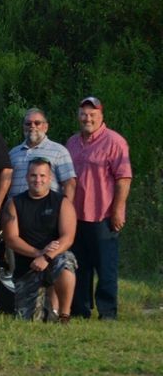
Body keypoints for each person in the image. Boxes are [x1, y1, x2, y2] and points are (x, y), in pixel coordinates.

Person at [66, 96, 132, 320]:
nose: (88, 118)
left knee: (106, 268)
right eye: (84, 114)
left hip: (103, 214)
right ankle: (80, 309)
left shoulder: (115, 142)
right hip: (76, 216)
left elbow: (123, 178)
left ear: (101, 116)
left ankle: (107, 312)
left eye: (92, 114)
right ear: (78, 116)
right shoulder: (72, 142)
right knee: (80, 266)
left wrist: (118, 210)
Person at [3, 158, 77, 322]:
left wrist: (46, 256)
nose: (38, 180)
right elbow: (11, 239)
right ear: (26, 177)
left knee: (66, 263)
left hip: (53, 258)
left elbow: (68, 237)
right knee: (29, 320)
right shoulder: (14, 203)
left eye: (42, 176)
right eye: (33, 175)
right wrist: (38, 253)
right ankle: (48, 306)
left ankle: (64, 315)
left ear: (50, 177)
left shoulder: (62, 202)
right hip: (28, 266)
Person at [8, 108, 77, 203]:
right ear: (23, 127)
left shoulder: (59, 151)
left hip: (47, 210)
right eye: (28, 124)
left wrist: (65, 210)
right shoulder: (13, 153)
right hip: (16, 211)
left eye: (37, 123)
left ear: (45, 127)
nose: (32, 126)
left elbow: (69, 184)